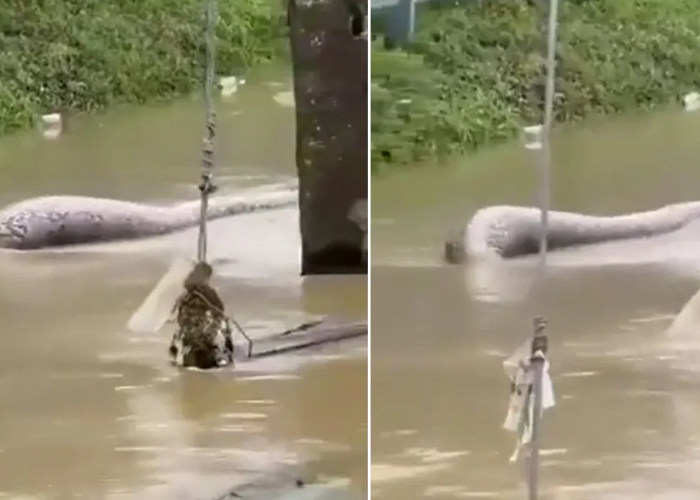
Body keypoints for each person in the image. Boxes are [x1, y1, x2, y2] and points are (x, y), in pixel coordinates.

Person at [168, 261, 234, 369]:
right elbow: (220, 310)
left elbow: (176, 313)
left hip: (187, 329)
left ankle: (176, 352)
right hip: (201, 329)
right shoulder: (208, 292)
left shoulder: (185, 294)